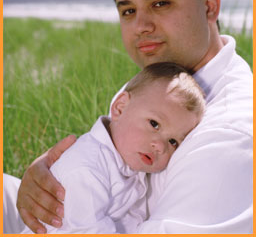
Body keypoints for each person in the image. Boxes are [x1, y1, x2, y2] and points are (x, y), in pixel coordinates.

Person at [5, 0, 253, 234]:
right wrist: (45, 179)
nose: (141, 27)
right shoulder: (166, 78)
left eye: (160, 3)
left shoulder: (229, 133)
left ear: (210, 6)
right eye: (128, 11)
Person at [8, 62, 205, 234]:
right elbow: (87, 230)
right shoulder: (87, 167)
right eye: (154, 124)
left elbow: (132, 220)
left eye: (173, 142)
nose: (160, 146)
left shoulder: (131, 167)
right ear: (119, 108)